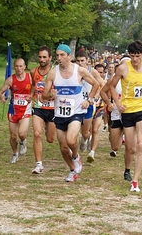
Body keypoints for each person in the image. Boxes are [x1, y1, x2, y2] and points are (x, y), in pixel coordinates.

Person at [109, 40, 142, 192]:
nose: (134, 59)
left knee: (141, 144)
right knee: (131, 149)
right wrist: (118, 104)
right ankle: (127, 169)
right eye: (132, 56)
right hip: (127, 111)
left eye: (137, 56)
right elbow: (112, 87)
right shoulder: (123, 69)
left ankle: (135, 181)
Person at [42, 44, 99, 182]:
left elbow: (96, 84)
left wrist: (89, 100)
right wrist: (51, 95)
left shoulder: (79, 71)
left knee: (71, 140)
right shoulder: (53, 73)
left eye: (62, 55)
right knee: (63, 147)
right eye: (57, 55)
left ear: (69, 56)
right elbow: (44, 95)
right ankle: (72, 170)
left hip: (76, 111)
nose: (59, 58)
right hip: (60, 113)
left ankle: (75, 156)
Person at [0, 58, 32, 163]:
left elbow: (36, 89)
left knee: (21, 133)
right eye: (16, 66)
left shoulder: (30, 78)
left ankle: (23, 142)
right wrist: (1, 97)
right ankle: (15, 153)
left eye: (21, 66)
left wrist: (31, 96)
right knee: (13, 135)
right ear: (14, 67)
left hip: (26, 109)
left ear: (25, 67)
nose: (19, 68)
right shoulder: (10, 80)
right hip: (13, 110)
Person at [100, 73, 134, 181]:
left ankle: (127, 170)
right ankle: (121, 136)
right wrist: (109, 103)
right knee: (115, 147)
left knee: (129, 145)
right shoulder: (114, 79)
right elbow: (102, 92)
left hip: (131, 114)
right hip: (116, 114)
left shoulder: (137, 78)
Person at [29, 46, 56, 174]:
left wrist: (54, 94)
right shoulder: (33, 71)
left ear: (50, 58)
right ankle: (39, 164)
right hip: (38, 107)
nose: (42, 59)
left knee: (50, 139)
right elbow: (34, 85)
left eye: (45, 57)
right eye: (40, 57)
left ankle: (47, 127)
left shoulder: (55, 72)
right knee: (36, 134)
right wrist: (31, 94)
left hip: (52, 108)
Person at [75, 51, 104, 154]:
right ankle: (72, 149)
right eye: (77, 61)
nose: (80, 63)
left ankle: (85, 139)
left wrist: (96, 95)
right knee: (74, 129)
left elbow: (102, 84)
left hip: (89, 105)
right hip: (75, 104)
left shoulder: (92, 72)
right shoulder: (73, 71)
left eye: (82, 61)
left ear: (87, 61)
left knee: (85, 132)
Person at [86, 63, 106, 163]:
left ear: (103, 73)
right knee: (87, 130)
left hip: (99, 107)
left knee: (95, 129)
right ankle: (87, 138)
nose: (98, 74)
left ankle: (92, 152)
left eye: (101, 72)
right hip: (89, 107)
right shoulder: (88, 80)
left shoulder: (104, 83)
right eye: (97, 72)